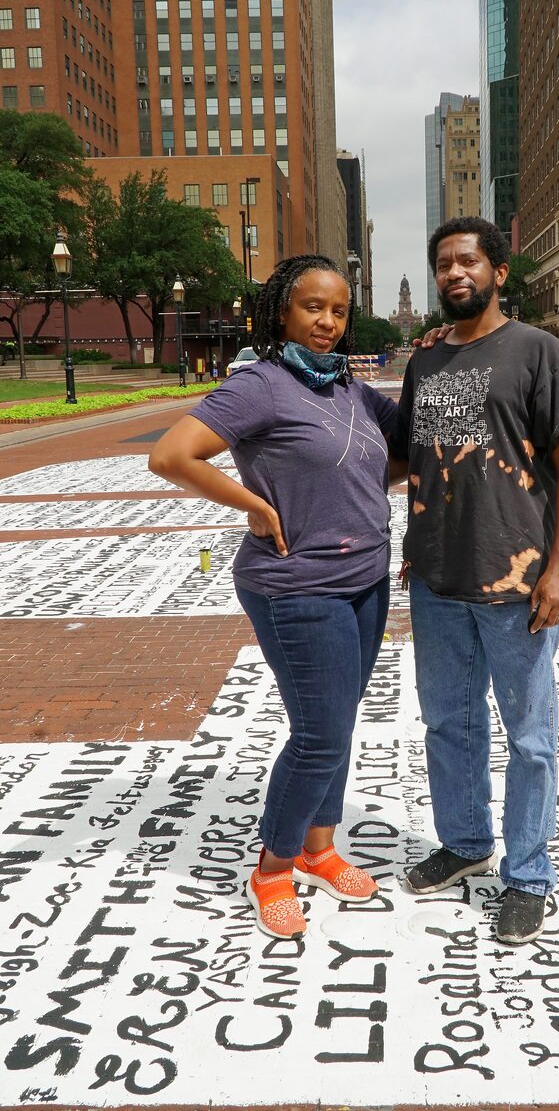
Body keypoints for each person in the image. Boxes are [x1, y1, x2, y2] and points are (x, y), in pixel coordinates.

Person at [148, 254, 400, 941]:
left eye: (339, 311)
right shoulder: (260, 384)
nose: (327, 322)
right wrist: (252, 503)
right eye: (313, 307)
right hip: (296, 585)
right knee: (319, 734)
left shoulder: (350, 388)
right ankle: (273, 866)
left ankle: (320, 847)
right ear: (282, 311)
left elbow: (406, 441)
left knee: (340, 723)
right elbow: (172, 455)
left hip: (367, 577)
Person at [390, 216, 559, 946]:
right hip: (438, 580)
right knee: (449, 723)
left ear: (499, 271)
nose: (454, 273)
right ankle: (467, 841)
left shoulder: (535, 351)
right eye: (442, 263)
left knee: (530, 738)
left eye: (468, 260)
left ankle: (529, 875)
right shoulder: (425, 363)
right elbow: (409, 460)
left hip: (517, 583)